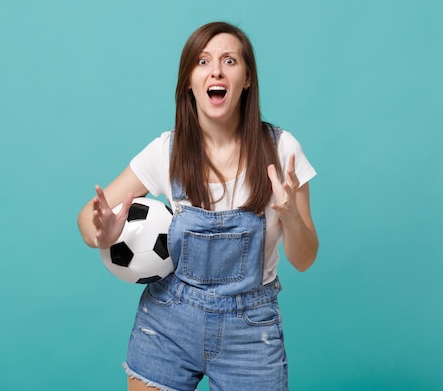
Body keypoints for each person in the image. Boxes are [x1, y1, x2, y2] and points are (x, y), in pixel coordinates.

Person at [78, 21, 318, 391]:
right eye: (203, 61)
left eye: (229, 60)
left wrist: (290, 217)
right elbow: (86, 217)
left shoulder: (282, 150)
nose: (216, 70)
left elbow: (304, 259)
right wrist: (103, 234)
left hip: (251, 333)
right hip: (168, 325)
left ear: (247, 78)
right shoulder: (167, 152)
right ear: (189, 81)